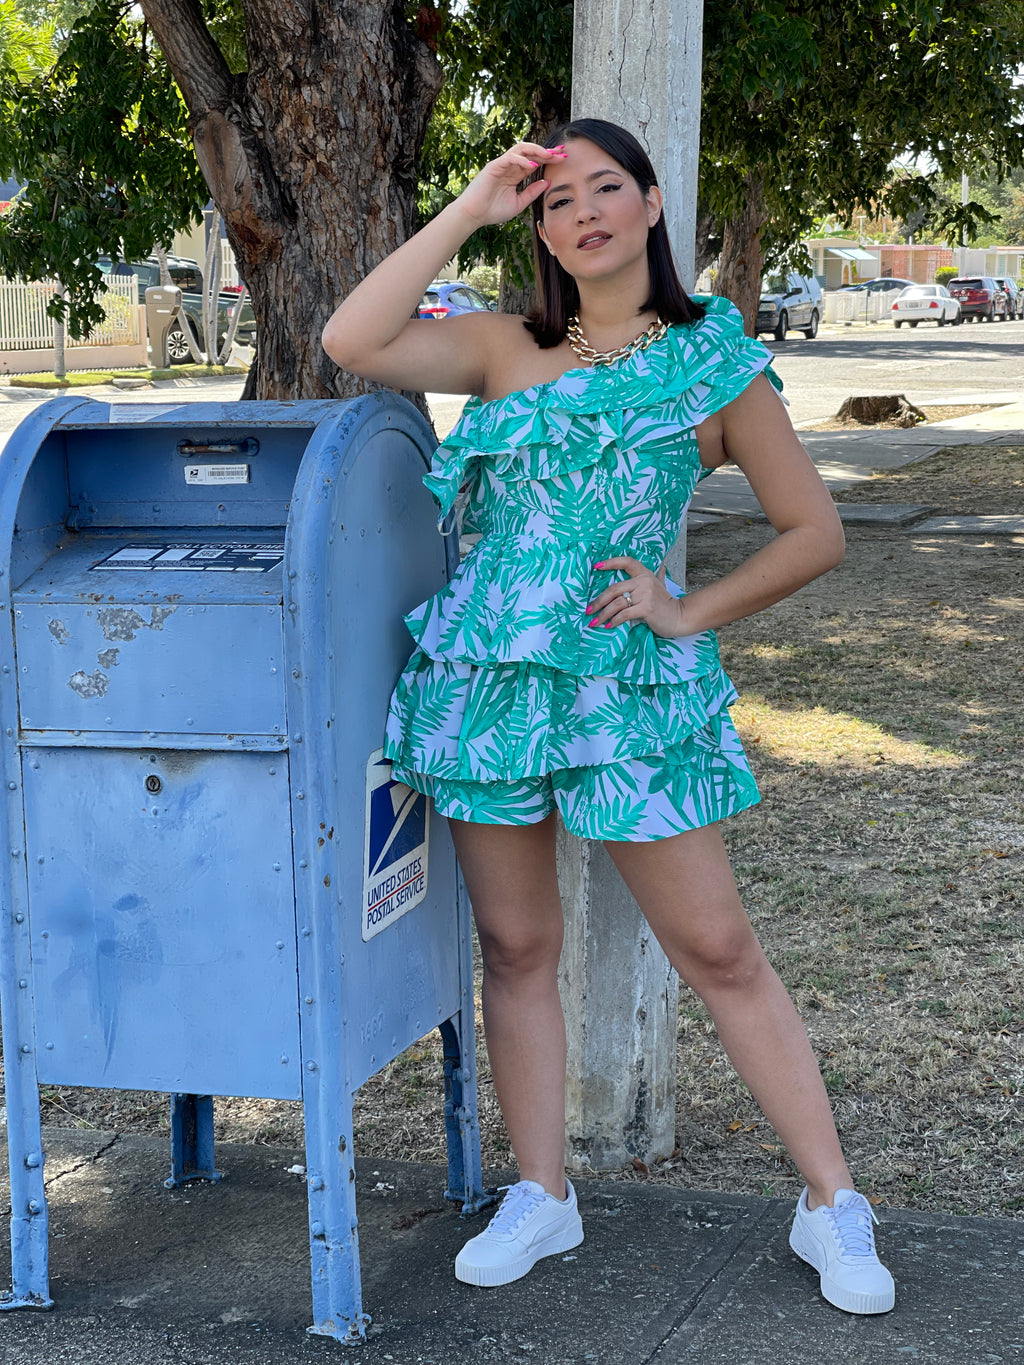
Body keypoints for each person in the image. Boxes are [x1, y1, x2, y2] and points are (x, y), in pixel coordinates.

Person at [322, 118, 894, 1316]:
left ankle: (834, 1205)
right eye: (552, 201)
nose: (579, 212)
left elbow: (814, 531)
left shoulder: (712, 361)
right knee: (518, 947)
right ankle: (544, 1190)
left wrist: (686, 612)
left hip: (624, 690)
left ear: (647, 206)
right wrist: (470, 208)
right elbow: (352, 338)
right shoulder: (501, 346)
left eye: (603, 189)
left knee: (718, 950)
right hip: (487, 682)